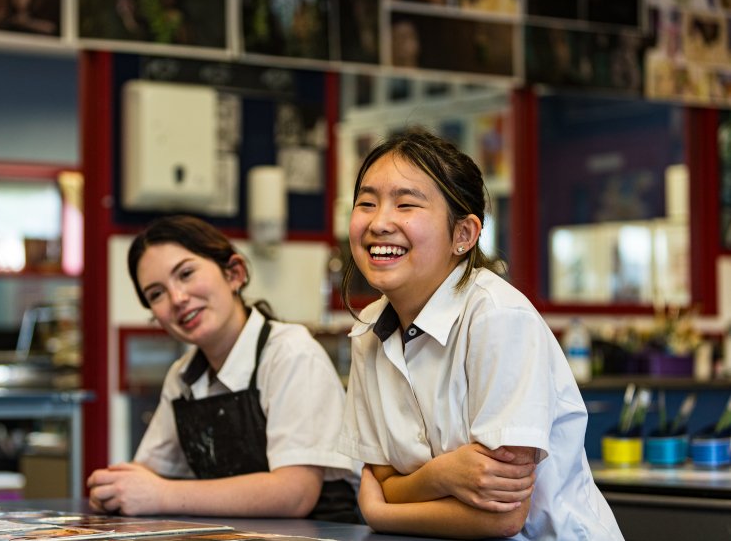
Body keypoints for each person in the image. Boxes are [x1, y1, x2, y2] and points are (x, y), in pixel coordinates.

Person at [337, 128, 624, 540]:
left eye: (405, 204)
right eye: (366, 203)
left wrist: (382, 511)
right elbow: (378, 477)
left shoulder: (498, 318)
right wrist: (444, 475)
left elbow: (502, 517)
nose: (379, 222)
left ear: (464, 235)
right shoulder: (368, 329)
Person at [87, 215, 359, 522]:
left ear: (234, 273)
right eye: (156, 294)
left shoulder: (290, 353)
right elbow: (150, 471)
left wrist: (160, 494)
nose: (177, 298)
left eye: (186, 273)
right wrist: (116, 486)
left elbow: (295, 493)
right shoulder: (183, 377)